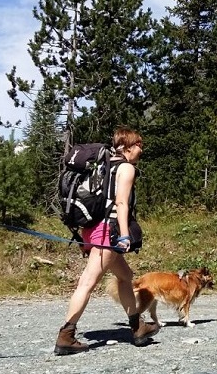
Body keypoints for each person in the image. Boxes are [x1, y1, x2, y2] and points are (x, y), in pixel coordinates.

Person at [54, 127, 159, 355]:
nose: (141, 149)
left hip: (92, 230)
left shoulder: (104, 166)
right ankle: (66, 335)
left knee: (125, 276)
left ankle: (137, 327)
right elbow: (121, 203)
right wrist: (123, 235)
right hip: (107, 232)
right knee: (87, 283)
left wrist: (86, 237)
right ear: (128, 147)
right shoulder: (126, 168)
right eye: (139, 145)